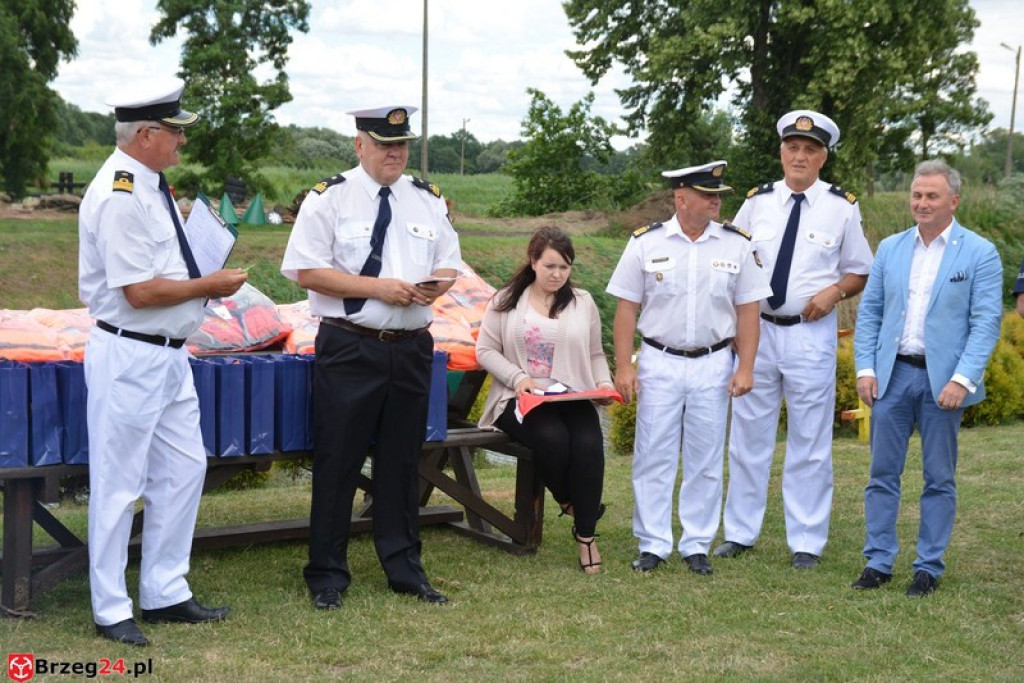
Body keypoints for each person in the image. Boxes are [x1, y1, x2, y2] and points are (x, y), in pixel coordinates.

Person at [79, 78, 247, 646]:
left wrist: (200, 281)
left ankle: (165, 591)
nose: (181, 140)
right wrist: (210, 283)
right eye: (175, 130)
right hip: (130, 352)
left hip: (170, 354)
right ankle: (110, 607)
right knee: (120, 483)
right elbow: (139, 293)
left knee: (182, 471)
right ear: (146, 134)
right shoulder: (121, 193)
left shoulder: (151, 184)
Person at [281, 105, 461, 610]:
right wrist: (378, 288)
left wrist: (434, 287)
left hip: (410, 348)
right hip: (351, 345)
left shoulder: (427, 199)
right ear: (360, 144)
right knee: (338, 460)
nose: (394, 153)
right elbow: (305, 272)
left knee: (402, 464)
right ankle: (327, 575)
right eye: (384, 144)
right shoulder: (330, 199)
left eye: (401, 145)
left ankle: (405, 569)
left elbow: (450, 260)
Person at [716, 110, 873, 570]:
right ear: (781, 152)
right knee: (747, 435)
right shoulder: (758, 202)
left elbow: (859, 269)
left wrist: (835, 291)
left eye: (810, 150)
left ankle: (806, 539)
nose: (799, 157)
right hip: (758, 331)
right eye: (792, 148)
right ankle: (741, 533)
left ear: (823, 157)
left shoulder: (841, 206)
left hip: (810, 334)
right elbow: (731, 257)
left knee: (809, 438)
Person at [607, 161, 771, 575]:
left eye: (718, 195)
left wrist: (746, 367)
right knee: (653, 453)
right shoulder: (646, 243)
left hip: (713, 362)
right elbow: (626, 308)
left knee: (706, 456)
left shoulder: (736, 244)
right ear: (681, 199)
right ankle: (654, 543)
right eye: (708, 194)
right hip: (660, 360)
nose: (717, 201)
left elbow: (748, 312)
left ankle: (697, 543)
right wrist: (624, 366)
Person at [851, 159, 1002, 597]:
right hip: (893, 376)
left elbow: (986, 322)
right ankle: (878, 562)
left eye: (931, 196)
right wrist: (866, 368)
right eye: (917, 195)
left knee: (939, 477)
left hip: (943, 384)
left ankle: (928, 567)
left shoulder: (979, 252)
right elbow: (871, 313)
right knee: (882, 473)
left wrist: (963, 379)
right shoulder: (891, 248)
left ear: (953, 200)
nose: (921, 203)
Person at [475, 227, 615, 574]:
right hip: (519, 397)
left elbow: (596, 353)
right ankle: (576, 505)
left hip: (571, 394)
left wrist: (603, 384)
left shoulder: (582, 302)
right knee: (552, 438)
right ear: (533, 261)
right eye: (550, 266)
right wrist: (518, 378)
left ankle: (586, 536)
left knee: (588, 442)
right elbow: (485, 350)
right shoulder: (506, 300)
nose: (557, 275)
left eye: (564, 268)